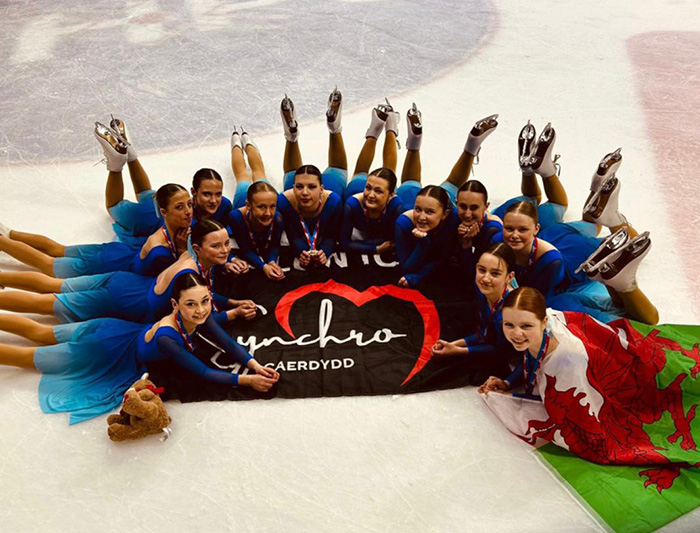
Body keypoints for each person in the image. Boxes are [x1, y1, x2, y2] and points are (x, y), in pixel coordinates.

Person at [0, 272, 279, 424]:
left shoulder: (200, 316)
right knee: (28, 354)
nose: (201, 310)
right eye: (191, 304)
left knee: (41, 332)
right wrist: (248, 381)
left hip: (114, 331)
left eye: (205, 301)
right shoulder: (167, 338)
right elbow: (203, 372)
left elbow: (227, 343)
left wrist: (254, 365)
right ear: (175, 305)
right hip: (102, 353)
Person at [478, 287, 700, 474]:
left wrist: (511, 397)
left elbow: (577, 424)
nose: (516, 333)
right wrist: (508, 382)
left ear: (543, 321)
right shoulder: (548, 322)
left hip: (641, 374)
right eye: (509, 325)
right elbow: (532, 356)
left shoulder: (566, 364)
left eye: (526, 326)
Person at [0, 220, 255, 325]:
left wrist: (231, 302)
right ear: (199, 248)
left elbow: (200, 295)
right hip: (125, 300)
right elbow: (196, 317)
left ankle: (4, 241)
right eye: (217, 246)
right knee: (47, 302)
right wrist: (232, 313)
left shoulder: (192, 256)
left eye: (226, 244)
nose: (226, 251)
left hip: (127, 282)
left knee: (52, 284)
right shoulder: (190, 274)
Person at [0, 184, 192, 278]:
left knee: (57, 249)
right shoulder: (160, 245)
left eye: (190, 205)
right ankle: (3, 240)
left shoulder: (173, 227)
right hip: (109, 264)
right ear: (164, 212)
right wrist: (182, 252)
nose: (188, 211)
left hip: (118, 253)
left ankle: (8, 233)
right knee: (49, 264)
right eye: (180, 207)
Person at [431, 243, 517, 377]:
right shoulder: (482, 289)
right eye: (482, 270)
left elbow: (499, 351)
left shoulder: (509, 311)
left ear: (509, 277)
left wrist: (457, 350)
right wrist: (453, 344)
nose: (486, 278)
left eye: (495, 273)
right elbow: (485, 333)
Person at [395, 103, 499, 209]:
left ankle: (471, 147)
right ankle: (472, 144)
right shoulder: (452, 214)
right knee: (445, 188)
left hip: (422, 208)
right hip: (440, 204)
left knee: (410, 187)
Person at [94, 117, 161, 243]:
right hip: (148, 220)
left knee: (146, 194)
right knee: (114, 205)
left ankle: (129, 152)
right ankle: (116, 163)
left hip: (169, 201)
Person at [492, 120, 568, 230]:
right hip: (497, 219)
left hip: (503, 228)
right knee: (534, 198)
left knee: (552, 202)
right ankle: (529, 168)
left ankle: (546, 171)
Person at [280, 89, 348, 198]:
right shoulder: (333, 201)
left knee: (340, 170)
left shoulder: (285, 201)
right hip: (324, 193)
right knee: (339, 169)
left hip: (299, 191)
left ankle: (292, 135)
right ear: (322, 189)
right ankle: (333, 126)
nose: (305, 193)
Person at [277, 165, 342, 268]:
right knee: (260, 175)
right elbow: (293, 235)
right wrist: (301, 253)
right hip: (292, 192)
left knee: (339, 167)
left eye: (312, 187)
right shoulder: (283, 202)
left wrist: (325, 252)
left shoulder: (333, 202)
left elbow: (331, 236)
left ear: (321, 189)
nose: (305, 193)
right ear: (293, 188)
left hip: (332, 182)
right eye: (299, 187)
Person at [394, 185, 459, 287]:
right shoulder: (403, 224)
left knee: (453, 183)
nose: (422, 217)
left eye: (430, 212)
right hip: (410, 191)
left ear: (445, 214)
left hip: (448, 196)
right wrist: (422, 244)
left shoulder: (454, 218)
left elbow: (444, 257)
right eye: (418, 209)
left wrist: (420, 275)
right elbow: (406, 268)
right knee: (409, 184)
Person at [339, 167, 404, 255]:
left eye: (378, 191)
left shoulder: (396, 207)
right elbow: (344, 244)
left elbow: (394, 241)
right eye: (368, 188)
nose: (371, 195)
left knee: (410, 182)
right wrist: (376, 249)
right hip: (355, 187)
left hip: (386, 193)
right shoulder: (352, 205)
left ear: (391, 195)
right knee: (357, 171)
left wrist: (359, 245)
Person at [343, 100, 400, 200]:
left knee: (364, 173)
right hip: (360, 193)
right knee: (384, 177)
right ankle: (385, 126)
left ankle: (387, 125)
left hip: (358, 193)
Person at [454, 180, 503, 279]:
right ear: (456, 204)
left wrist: (466, 244)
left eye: (474, 208)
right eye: (463, 206)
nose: (467, 214)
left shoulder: (493, 231)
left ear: (486, 207)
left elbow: (475, 276)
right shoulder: (453, 217)